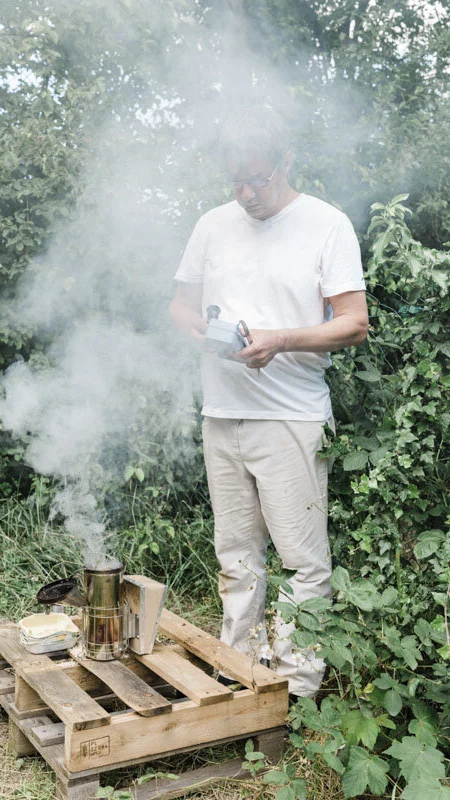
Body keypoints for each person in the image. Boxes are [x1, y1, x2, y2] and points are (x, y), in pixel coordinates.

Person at [169, 106, 368, 698]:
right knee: (234, 553)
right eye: (236, 180)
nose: (247, 193)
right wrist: (201, 334)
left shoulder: (327, 225)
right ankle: (238, 675)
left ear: (287, 162)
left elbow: (355, 322)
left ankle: (296, 691)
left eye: (259, 179)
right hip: (221, 413)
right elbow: (180, 305)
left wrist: (280, 340)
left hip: (291, 417)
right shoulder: (212, 223)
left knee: (302, 563)